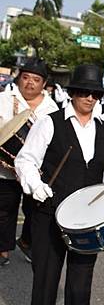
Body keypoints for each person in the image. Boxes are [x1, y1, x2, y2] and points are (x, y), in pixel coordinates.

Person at [14, 64, 104, 305]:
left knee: (80, 288)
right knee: (46, 280)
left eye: (95, 93)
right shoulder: (51, 122)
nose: (89, 98)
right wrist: (35, 185)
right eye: (84, 92)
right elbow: (25, 160)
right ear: (73, 93)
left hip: (89, 222)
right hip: (50, 213)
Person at [0, 57, 58, 266]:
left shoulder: (52, 109)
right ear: (19, 79)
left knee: (35, 209)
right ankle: (3, 250)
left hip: (36, 168)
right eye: (25, 78)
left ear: (44, 84)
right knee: (5, 208)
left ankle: (27, 241)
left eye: (36, 79)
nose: (30, 83)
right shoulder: (5, 99)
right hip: (5, 168)